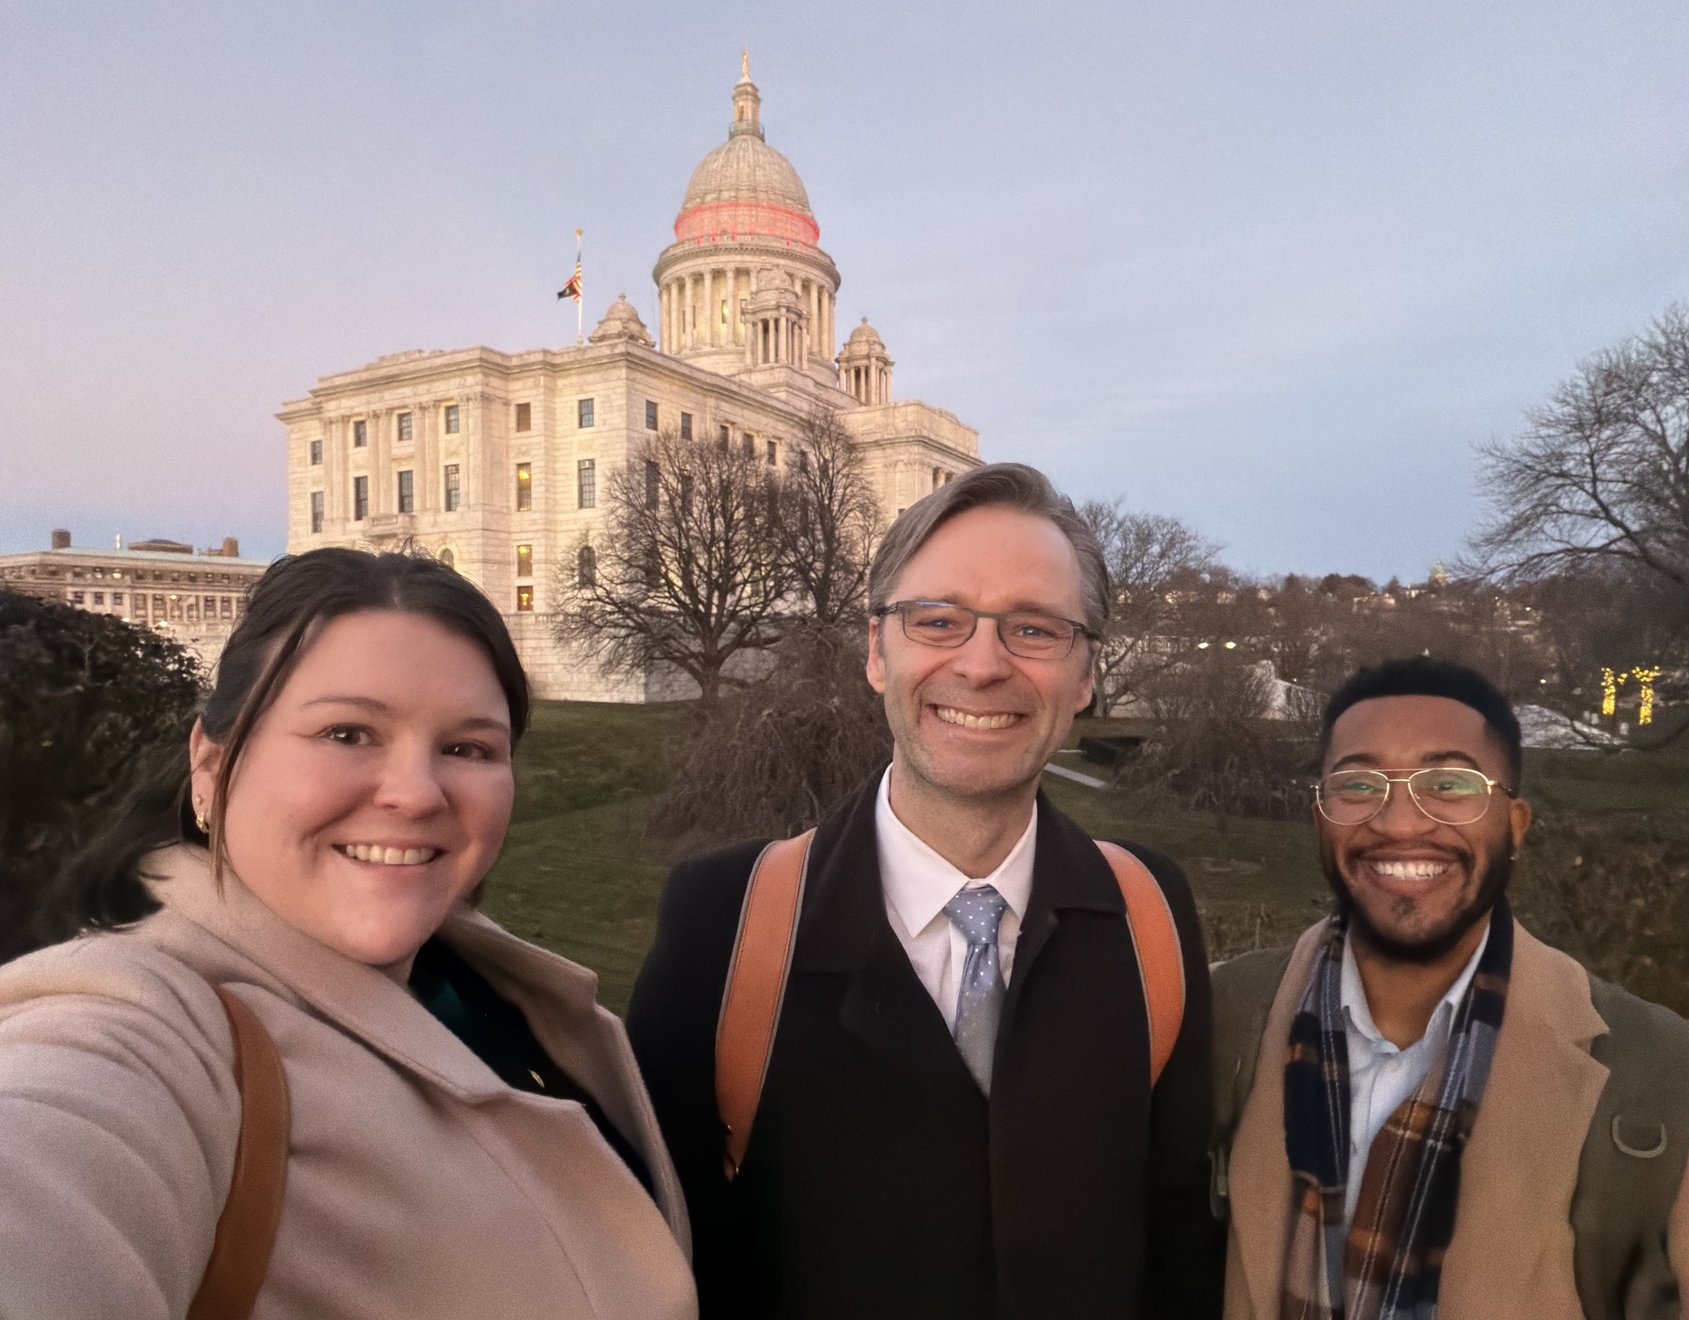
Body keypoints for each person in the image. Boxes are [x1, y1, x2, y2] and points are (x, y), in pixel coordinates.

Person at [0, 549, 696, 1319]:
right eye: (347, 733)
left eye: (467, 748)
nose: (415, 794)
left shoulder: (477, 988)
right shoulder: (142, 1031)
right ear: (210, 762)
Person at [627, 463, 1220, 1320]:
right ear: (877, 652)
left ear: (1087, 674)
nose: (982, 665)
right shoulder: (725, 919)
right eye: (938, 621)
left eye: (1036, 629)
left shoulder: (1149, 915)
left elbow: (1177, 1247)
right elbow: (656, 1256)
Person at [1211, 655, 1689, 1320]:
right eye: (1358, 785)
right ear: (1320, 817)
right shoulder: (1222, 1023)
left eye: (1449, 783)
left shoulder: (1671, 1084)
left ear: (1516, 826)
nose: (1400, 822)